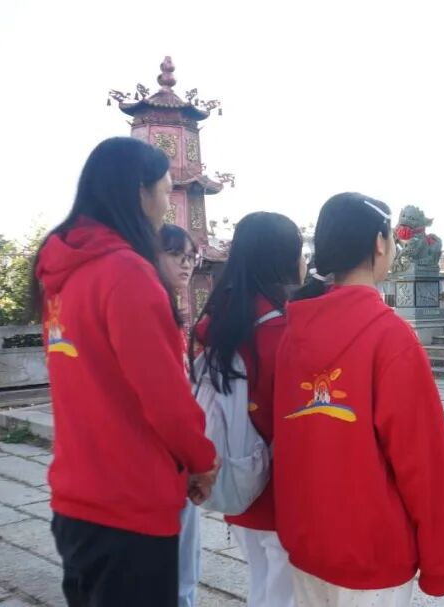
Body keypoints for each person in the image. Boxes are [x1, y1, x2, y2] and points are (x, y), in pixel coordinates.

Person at [32, 136, 218, 606]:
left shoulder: (62, 274)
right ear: (140, 192)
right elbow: (166, 398)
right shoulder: (126, 274)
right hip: (129, 507)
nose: (167, 205)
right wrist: (201, 461)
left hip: (76, 499)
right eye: (166, 190)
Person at [274, 192, 444, 606]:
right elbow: (422, 461)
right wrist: (437, 564)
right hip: (373, 551)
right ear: (379, 243)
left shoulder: (293, 333)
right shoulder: (390, 337)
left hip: (307, 544)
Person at [193, 212, 304, 607]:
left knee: (261, 581)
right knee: (284, 593)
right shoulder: (282, 331)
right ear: (283, 259)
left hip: (237, 478)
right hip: (279, 490)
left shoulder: (218, 319)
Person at [158, 223, 202, 607]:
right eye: (176, 255)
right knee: (179, 568)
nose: (186, 265)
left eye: (190, 257)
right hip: (166, 458)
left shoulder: (170, 310)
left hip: (175, 456)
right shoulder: (151, 310)